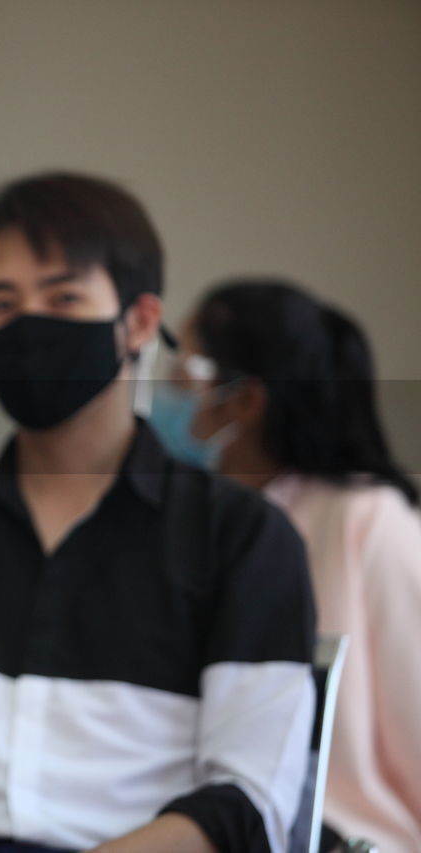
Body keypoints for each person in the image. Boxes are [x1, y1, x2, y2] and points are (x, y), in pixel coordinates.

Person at [0, 173, 316, 853]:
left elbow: (251, 798)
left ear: (141, 321)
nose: (29, 324)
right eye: (2, 302)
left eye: (64, 296)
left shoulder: (242, 539)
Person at [154, 278, 421, 852]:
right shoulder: (180, 527)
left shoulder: (367, 521)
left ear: (245, 401)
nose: (167, 385)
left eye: (186, 369)